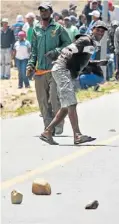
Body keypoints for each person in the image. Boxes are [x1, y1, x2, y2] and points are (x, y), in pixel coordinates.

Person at [39, 21, 109, 145]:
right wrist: (64, 56)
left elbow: (83, 61)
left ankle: (47, 131)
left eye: (103, 31)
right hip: (62, 69)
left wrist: (98, 63)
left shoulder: (91, 45)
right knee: (71, 103)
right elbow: (70, 49)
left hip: (65, 71)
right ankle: (77, 135)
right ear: (92, 29)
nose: (100, 32)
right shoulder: (86, 40)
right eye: (98, 30)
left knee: (66, 106)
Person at [26, 2, 72, 135]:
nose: (43, 13)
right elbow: (34, 50)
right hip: (40, 71)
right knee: (42, 102)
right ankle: (48, 127)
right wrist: (30, 65)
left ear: (51, 12)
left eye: (46, 10)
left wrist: (56, 51)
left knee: (54, 98)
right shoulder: (36, 29)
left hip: (55, 69)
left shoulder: (58, 28)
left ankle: (58, 125)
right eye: (41, 11)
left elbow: (68, 44)